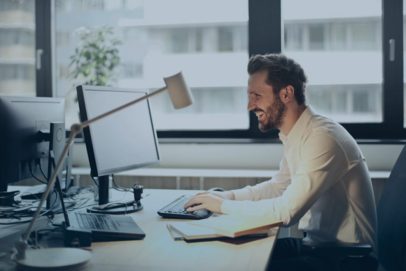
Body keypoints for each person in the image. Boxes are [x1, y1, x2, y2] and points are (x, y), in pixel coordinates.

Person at [184, 53, 378, 270]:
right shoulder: (296, 135)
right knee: (229, 253)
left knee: (239, 264)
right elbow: (278, 187)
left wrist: (223, 206)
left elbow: (286, 213)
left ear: (287, 93)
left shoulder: (323, 138)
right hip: (316, 247)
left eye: (257, 95)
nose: (250, 105)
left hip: (346, 260)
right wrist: (227, 196)